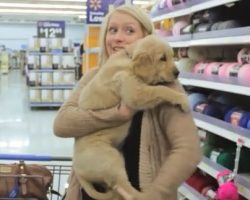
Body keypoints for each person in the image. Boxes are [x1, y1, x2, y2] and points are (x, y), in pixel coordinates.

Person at [53, 4, 201, 200]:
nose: (117, 38)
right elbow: (62, 124)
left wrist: (154, 194)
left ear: (146, 38)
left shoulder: (168, 88)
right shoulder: (93, 77)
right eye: (112, 30)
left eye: (129, 30)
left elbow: (188, 150)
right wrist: (116, 114)